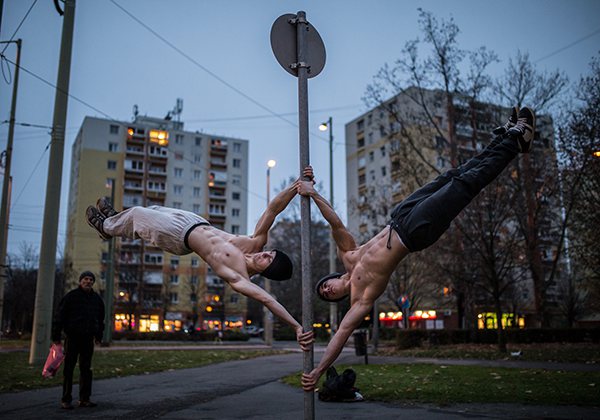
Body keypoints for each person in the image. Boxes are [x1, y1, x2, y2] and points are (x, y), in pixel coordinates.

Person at [299, 107, 535, 391]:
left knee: (454, 174)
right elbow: (342, 334)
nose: (326, 290)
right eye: (326, 296)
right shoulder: (362, 297)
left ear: (332, 278)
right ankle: (516, 139)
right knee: (464, 184)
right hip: (414, 232)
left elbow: (334, 222)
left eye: (324, 286)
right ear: (337, 297)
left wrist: (312, 192)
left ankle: (504, 138)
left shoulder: (349, 255)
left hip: (401, 215)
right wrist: (319, 370)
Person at [85, 178, 314, 350]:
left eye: (268, 260)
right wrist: (296, 187)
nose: (264, 254)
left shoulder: (239, 277)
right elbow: (273, 210)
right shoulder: (254, 243)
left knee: (138, 214)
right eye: (269, 253)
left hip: (180, 237)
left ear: (268, 271)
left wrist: (296, 326)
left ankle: (106, 227)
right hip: (194, 221)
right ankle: (114, 219)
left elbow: (268, 299)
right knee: (151, 210)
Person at [52, 271, 105, 409]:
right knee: (68, 369)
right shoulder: (71, 297)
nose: (88, 281)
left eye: (91, 279)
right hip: (73, 338)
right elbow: (59, 317)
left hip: (88, 339)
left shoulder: (97, 299)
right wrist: (56, 337)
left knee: (86, 369)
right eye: (85, 279)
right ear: (80, 281)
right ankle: (66, 399)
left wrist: (98, 336)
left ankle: (84, 399)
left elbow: (100, 319)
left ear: (93, 282)